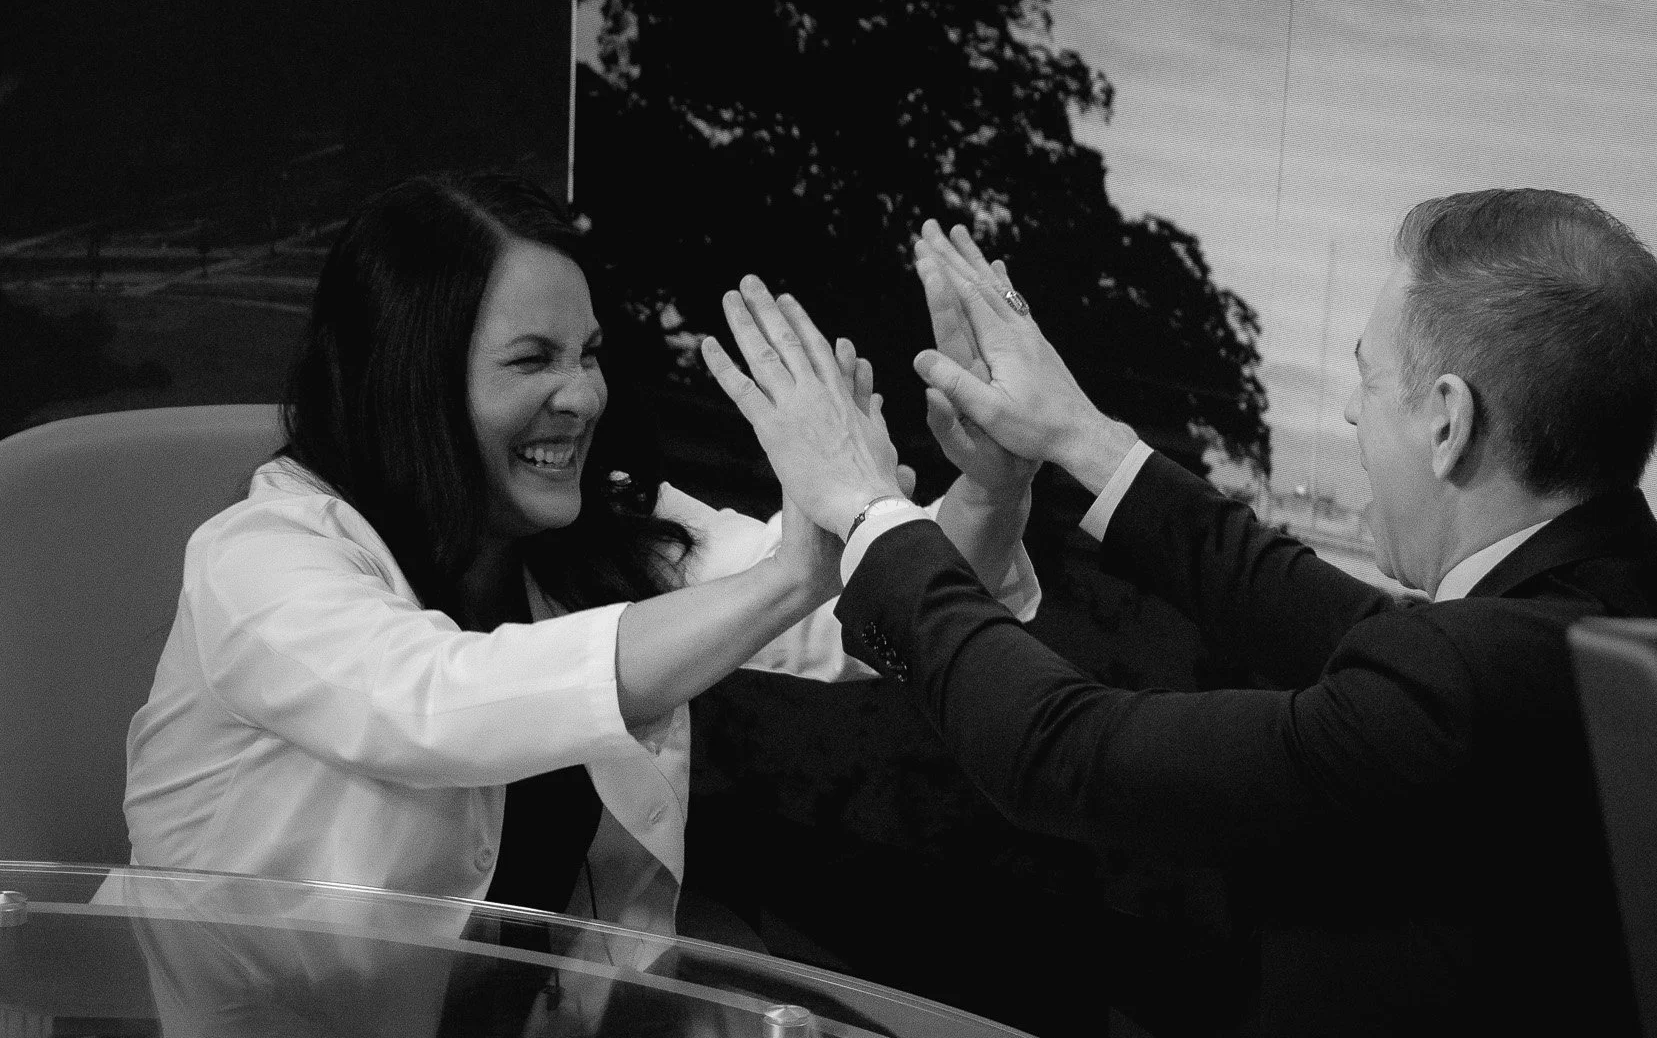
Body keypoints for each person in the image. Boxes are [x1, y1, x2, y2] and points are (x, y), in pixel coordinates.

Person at [701, 188, 1657, 1038]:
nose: (1347, 412)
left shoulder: (1467, 683)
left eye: (1364, 380)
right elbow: (1326, 620)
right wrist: (1080, 436)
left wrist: (865, 508)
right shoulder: (1655, 607)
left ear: (1445, 419)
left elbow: (1059, 753)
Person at [123, 173, 1038, 940]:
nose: (585, 394)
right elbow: (436, 703)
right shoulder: (255, 560)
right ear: (410, 378)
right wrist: (787, 575)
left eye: (590, 353)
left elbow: (866, 618)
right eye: (532, 361)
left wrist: (991, 486)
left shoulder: (605, 526)